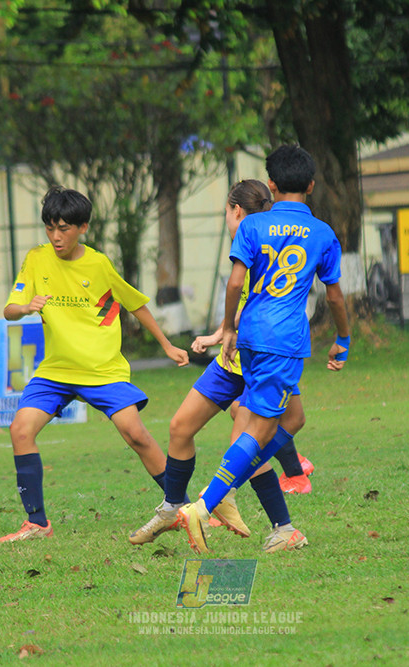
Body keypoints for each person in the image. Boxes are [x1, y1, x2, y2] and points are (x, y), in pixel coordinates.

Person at [177, 145, 351, 554]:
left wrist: (227, 327)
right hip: (285, 341)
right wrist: (342, 339)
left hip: (252, 336)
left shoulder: (254, 227)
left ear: (271, 184)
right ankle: (206, 504)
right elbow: (337, 298)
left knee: (290, 420)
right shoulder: (323, 234)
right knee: (258, 429)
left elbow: (236, 284)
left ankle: (234, 491)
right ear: (311, 185)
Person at [0, 186, 190, 543]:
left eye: (64, 228)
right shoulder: (36, 259)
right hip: (55, 371)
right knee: (20, 430)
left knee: (135, 434)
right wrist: (25, 308)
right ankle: (36, 523)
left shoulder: (98, 264)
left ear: (82, 227)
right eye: (50, 228)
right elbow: (10, 309)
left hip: (103, 370)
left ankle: (182, 508)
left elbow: (135, 304)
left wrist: (166, 345)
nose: (56, 237)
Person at [127, 180, 312, 548]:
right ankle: (172, 507)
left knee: (249, 446)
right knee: (181, 427)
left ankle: (282, 527)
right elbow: (246, 302)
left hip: (261, 362)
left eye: (226, 212)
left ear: (236, 211)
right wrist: (218, 335)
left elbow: (254, 300)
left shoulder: (260, 245)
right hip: (231, 362)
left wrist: (225, 331)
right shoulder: (250, 243)